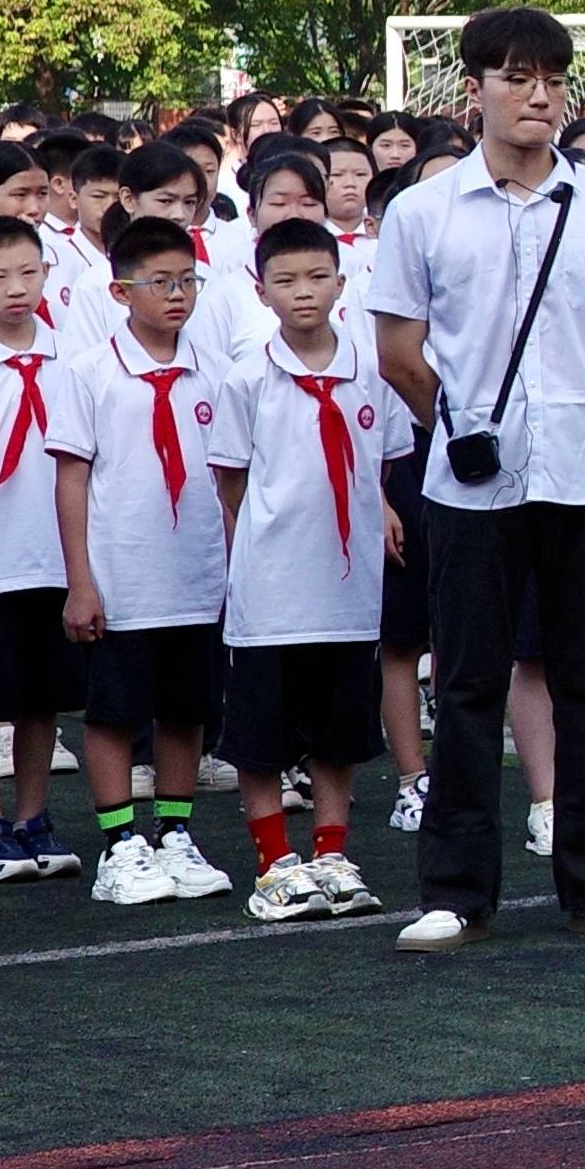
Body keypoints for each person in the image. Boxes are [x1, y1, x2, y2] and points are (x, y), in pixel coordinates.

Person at [368, 13, 585, 952]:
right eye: (516, 76)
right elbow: (397, 353)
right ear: (476, 90)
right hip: (469, 487)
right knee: (467, 682)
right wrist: (465, 426)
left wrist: (572, 415)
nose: (537, 93)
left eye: (551, 77)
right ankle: (456, 889)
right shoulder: (424, 212)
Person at [219, 215, 408, 922]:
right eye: (286, 281)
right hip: (272, 589)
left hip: (348, 585)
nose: (304, 293)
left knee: (339, 728)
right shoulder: (247, 378)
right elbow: (232, 483)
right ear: (260, 289)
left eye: (317, 277)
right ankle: (274, 863)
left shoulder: (371, 373)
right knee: (263, 732)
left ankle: (331, 851)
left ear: (342, 280)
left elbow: (377, 465)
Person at [71, 211, 239, 908]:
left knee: (185, 708)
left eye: (188, 281)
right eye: (160, 282)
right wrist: (81, 580)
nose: (177, 295)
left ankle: (174, 831)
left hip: (195, 571)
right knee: (113, 712)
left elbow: (232, 477)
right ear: (120, 292)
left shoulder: (218, 372)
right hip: (122, 571)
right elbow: (72, 479)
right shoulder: (90, 372)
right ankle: (119, 843)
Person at [0, 211, 101, 889]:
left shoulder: (75, 359)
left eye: (28, 272)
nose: (15, 288)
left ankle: (33, 817)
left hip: (53, 556)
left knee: (42, 699)